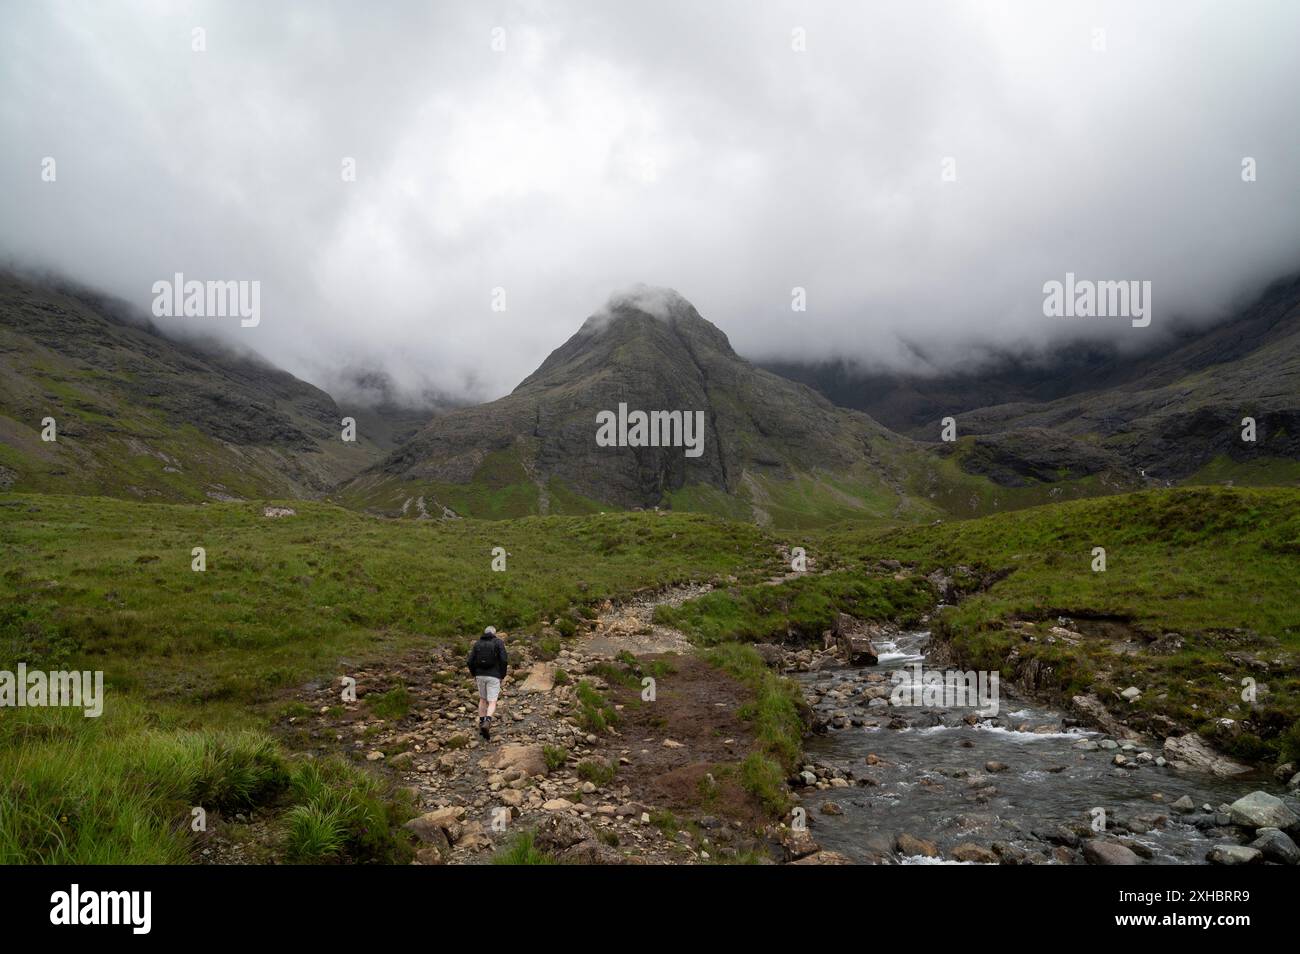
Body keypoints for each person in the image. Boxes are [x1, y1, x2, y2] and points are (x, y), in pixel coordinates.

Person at [467, 625, 507, 740]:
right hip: (494, 675)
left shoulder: (477, 643)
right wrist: (502, 674)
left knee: (482, 699)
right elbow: (504, 659)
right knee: (492, 701)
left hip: (479, 675)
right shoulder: (498, 642)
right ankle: (488, 721)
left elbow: (470, 661)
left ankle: (481, 722)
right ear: (494, 633)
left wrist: (474, 673)